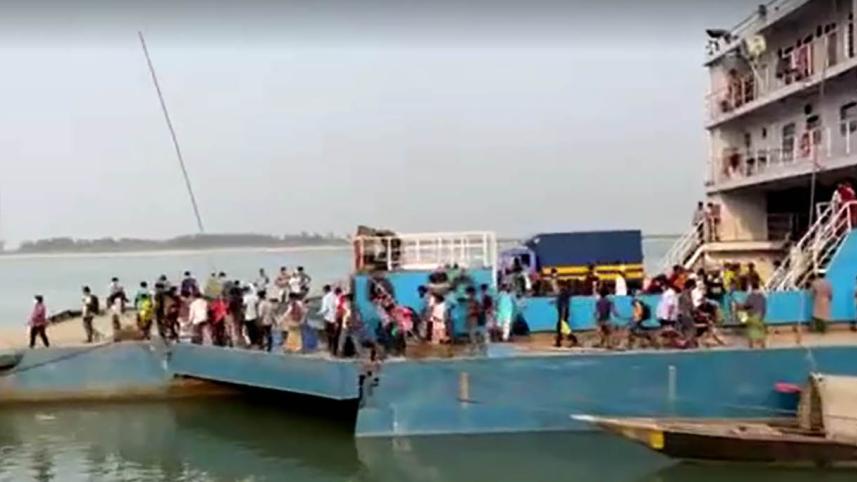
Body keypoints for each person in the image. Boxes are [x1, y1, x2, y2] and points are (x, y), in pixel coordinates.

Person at [741, 281, 767, 348]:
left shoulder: (750, 296)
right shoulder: (762, 296)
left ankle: (751, 347)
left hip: (752, 316)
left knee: (751, 333)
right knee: (761, 333)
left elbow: (746, 305)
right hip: (760, 316)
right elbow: (764, 308)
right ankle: (763, 348)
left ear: (752, 288)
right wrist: (763, 316)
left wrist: (742, 306)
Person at [554, 280, 576, 348]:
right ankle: (559, 340)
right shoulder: (563, 292)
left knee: (561, 326)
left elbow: (564, 304)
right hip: (562, 312)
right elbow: (561, 301)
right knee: (562, 326)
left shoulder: (564, 292)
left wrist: (563, 315)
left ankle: (570, 339)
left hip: (563, 312)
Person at [319, 285, 338, 354]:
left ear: (325, 290)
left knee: (328, 333)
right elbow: (337, 306)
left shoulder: (326, 297)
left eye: (323, 290)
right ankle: (334, 349)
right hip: (335, 317)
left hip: (328, 318)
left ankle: (329, 348)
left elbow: (325, 309)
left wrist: (319, 313)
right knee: (334, 334)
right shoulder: (335, 296)